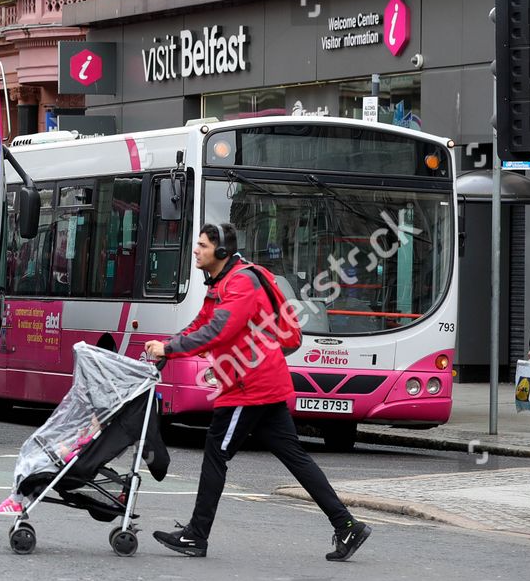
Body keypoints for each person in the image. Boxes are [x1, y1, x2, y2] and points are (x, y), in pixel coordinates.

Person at [142, 223, 371, 561]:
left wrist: (171, 350)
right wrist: (167, 344)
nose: (196, 250)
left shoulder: (241, 284)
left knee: (216, 453)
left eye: (203, 245)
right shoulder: (222, 282)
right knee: (295, 456)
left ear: (221, 252)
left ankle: (196, 534)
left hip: (248, 386)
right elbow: (202, 323)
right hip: (263, 382)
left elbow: (219, 330)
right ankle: (347, 525)